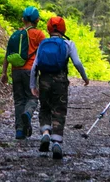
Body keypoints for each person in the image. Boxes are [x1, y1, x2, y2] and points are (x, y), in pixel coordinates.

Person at [31, 16, 90, 159]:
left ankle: (45, 133)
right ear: (64, 29)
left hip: (44, 80)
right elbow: (77, 62)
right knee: (59, 109)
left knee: (44, 108)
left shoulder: (43, 43)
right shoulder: (68, 44)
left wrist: (33, 85)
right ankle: (56, 142)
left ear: (48, 29)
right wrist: (84, 77)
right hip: (60, 81)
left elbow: (34, 67)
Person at [1, 6, 46, 139]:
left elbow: (7, 54)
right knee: (32, 97)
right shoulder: (39, 34)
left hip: (15, 70)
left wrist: (4, 72)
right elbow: (44, 53)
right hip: (30, 71)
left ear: (23, 19)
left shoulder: (16, 34)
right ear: (37, 20)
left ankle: (20, 130)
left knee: (19, 100)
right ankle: (27, 113)